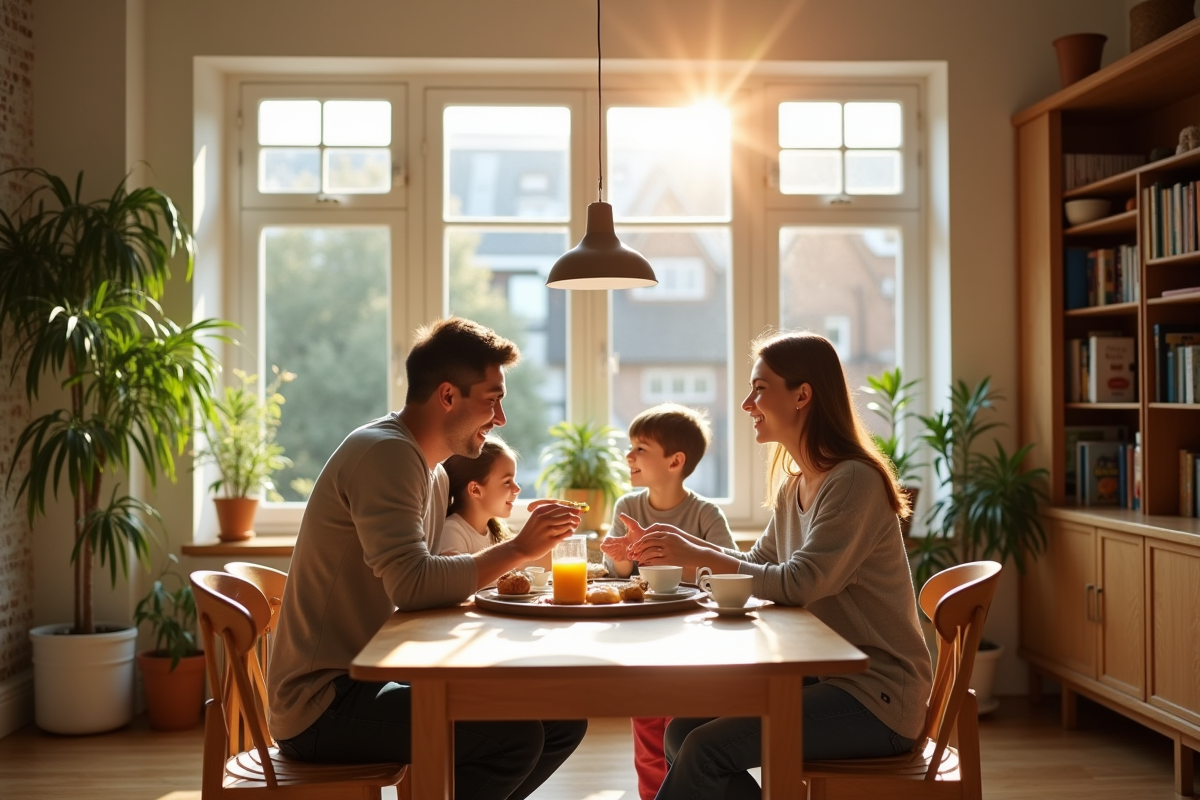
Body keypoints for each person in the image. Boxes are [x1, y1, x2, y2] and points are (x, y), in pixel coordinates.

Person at [267, 317, 588, 800]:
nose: (500, 418)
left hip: (368, 680)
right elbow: (413, 586)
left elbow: (433, 584)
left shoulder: (432, 473)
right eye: (493, 399)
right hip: (323, 702)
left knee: (561, 718)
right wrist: (521, 548)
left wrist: (519, 548)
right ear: (447, 396)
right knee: (514, 736)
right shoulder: (385, 456)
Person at [626, 331, 933, 800]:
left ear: (802, 395)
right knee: (680, 731)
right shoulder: (797, 485)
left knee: (705, 748)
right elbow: (758, 565)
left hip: (877, 697)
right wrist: (681, 546)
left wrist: (695, 554)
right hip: (826, 680)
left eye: (759, 389)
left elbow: (799, 583)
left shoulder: (853, 481)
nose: (748, 403)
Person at [598, 403, 735, 800]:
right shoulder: (627, 507)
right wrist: (623, 554)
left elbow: (731, 571)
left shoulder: (706, 514)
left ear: (675, 461)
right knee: (645, 724)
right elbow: (617, 574)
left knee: (682, 724)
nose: (629, 455)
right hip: (644, 637)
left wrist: (683, 561)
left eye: (641, 448)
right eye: (631, 447)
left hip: (695, 638)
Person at [440, 436, 520, 556]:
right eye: (507, 482)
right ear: (475, 490)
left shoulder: (494, 531)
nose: (517, 489)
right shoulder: (452, 533)